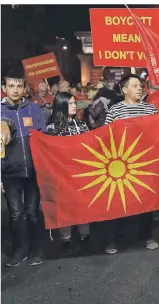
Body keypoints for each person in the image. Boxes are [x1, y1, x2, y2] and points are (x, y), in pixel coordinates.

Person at [103, 74, 159, 254]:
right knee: (120, 201)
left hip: (145, 163)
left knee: (146, 201)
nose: (139, 88)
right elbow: (106, 134)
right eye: (134, 86)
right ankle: (115, 239)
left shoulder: (150, 109)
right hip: (122, 164)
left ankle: (145, 235)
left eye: (140, 85)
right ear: (124, 90)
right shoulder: (115, 110)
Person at [1, 69, 46, 267]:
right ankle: (19, 250)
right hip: (9, 173)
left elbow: (44, 139)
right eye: (11, 86)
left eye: (19, 85)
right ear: (4, 88)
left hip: (33, 171)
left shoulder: (34, 109)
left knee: (33, 212)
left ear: (25, 88)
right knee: (16, 214)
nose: (15, 90)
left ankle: (36, 249)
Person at [46, 92, 90, 252]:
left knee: (82, 202)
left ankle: (85, 232)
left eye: (74, 103)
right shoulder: (53, 128)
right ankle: (66, 236)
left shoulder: (82, 125)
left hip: (82, 171)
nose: (74, 106)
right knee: (65, 204)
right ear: (62, 105)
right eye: (71, 103)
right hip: (62, 173)